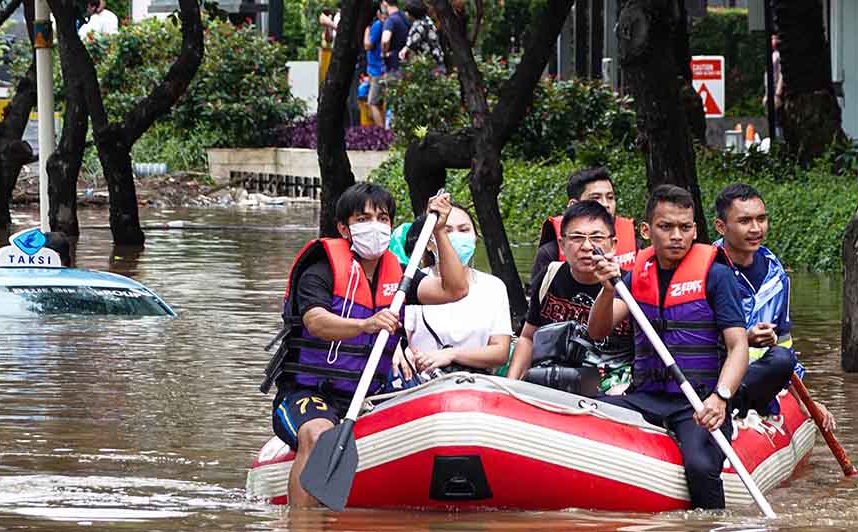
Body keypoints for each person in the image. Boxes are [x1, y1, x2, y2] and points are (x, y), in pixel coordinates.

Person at [263, 183, 469, 507]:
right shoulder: (321, 268)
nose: (375, 225)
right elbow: (315, 321)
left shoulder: (398, 274)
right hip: (308, 394)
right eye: (364, 218)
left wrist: (440, 231)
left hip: (369, 399)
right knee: (319, 436)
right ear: (344, 228)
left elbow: (455, 289)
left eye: (383, 218)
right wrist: (366, 324)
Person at [588, 185, 749, 510]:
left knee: (701, 467)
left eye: (685, 227)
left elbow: (738, 346)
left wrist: (721, 398)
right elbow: (598, 329)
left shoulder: (717, 277)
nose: (677, 236)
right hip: (644, 397)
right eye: (666, 227)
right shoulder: (635, 277)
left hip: (696, 401)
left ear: (695, 230)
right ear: (647, 231)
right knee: (586, 414)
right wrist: (607, 289)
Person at [713, 183, 834, 429]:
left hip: (754, 378)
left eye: (761, 219)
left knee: (782, 358)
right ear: (721, 226)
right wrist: (744, 339)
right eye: (745, 221)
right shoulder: (706, 269)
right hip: (713, 372)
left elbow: (784, 341)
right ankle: (725, 407)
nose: (756, 229)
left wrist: (806, 401)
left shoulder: (775, 274)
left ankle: (741, 408)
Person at [506, 201, 634, 394]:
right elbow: (527, 337)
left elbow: (598, 331)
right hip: (554, 368)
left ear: (613, 244)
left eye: (597, 238)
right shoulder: (550, 276)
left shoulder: (627, 285)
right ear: (562, 244)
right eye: (576, 238)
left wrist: (608, 289)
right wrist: (510, 385)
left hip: (610, 378)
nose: (587, 246)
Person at [390, 203, 513, 384]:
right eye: (446, 230)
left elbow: (500, 352)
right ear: (430, 242)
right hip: (421, 383)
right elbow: (402, 338)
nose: (455, 237)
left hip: (477, 382)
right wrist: (402, 350)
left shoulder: (493, 286)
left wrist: (451, 354)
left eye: (463, 230)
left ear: (475, 239)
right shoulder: (415, 283)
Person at [530, 167, 640, 286]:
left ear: (614, 244)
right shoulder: (550, 252)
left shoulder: (635, 244)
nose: (606, 204)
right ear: (573, 205)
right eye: (596, 198)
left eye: (610, 197)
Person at [398, 0, 443, 69]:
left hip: (429, 64)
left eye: (406, 12)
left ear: (411, 13)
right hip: (436, 59)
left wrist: (403, 51)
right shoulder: (427, 20)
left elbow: (411, 44)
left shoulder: (418, 25)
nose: (405, 14)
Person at [363, 0, 387, 126]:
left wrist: (366, 29)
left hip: (377, 70)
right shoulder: (381, 24)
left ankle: (381, 134)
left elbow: (368, 45)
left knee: (372, 103)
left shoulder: (377, 25)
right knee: (377, 103)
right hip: (376, 69)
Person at [378, 0, 410, 75]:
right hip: (405, 61)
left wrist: (384, 53)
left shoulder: (391, 20)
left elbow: (385, 40)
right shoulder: (405, 17)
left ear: (384, 3)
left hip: (393, 63)